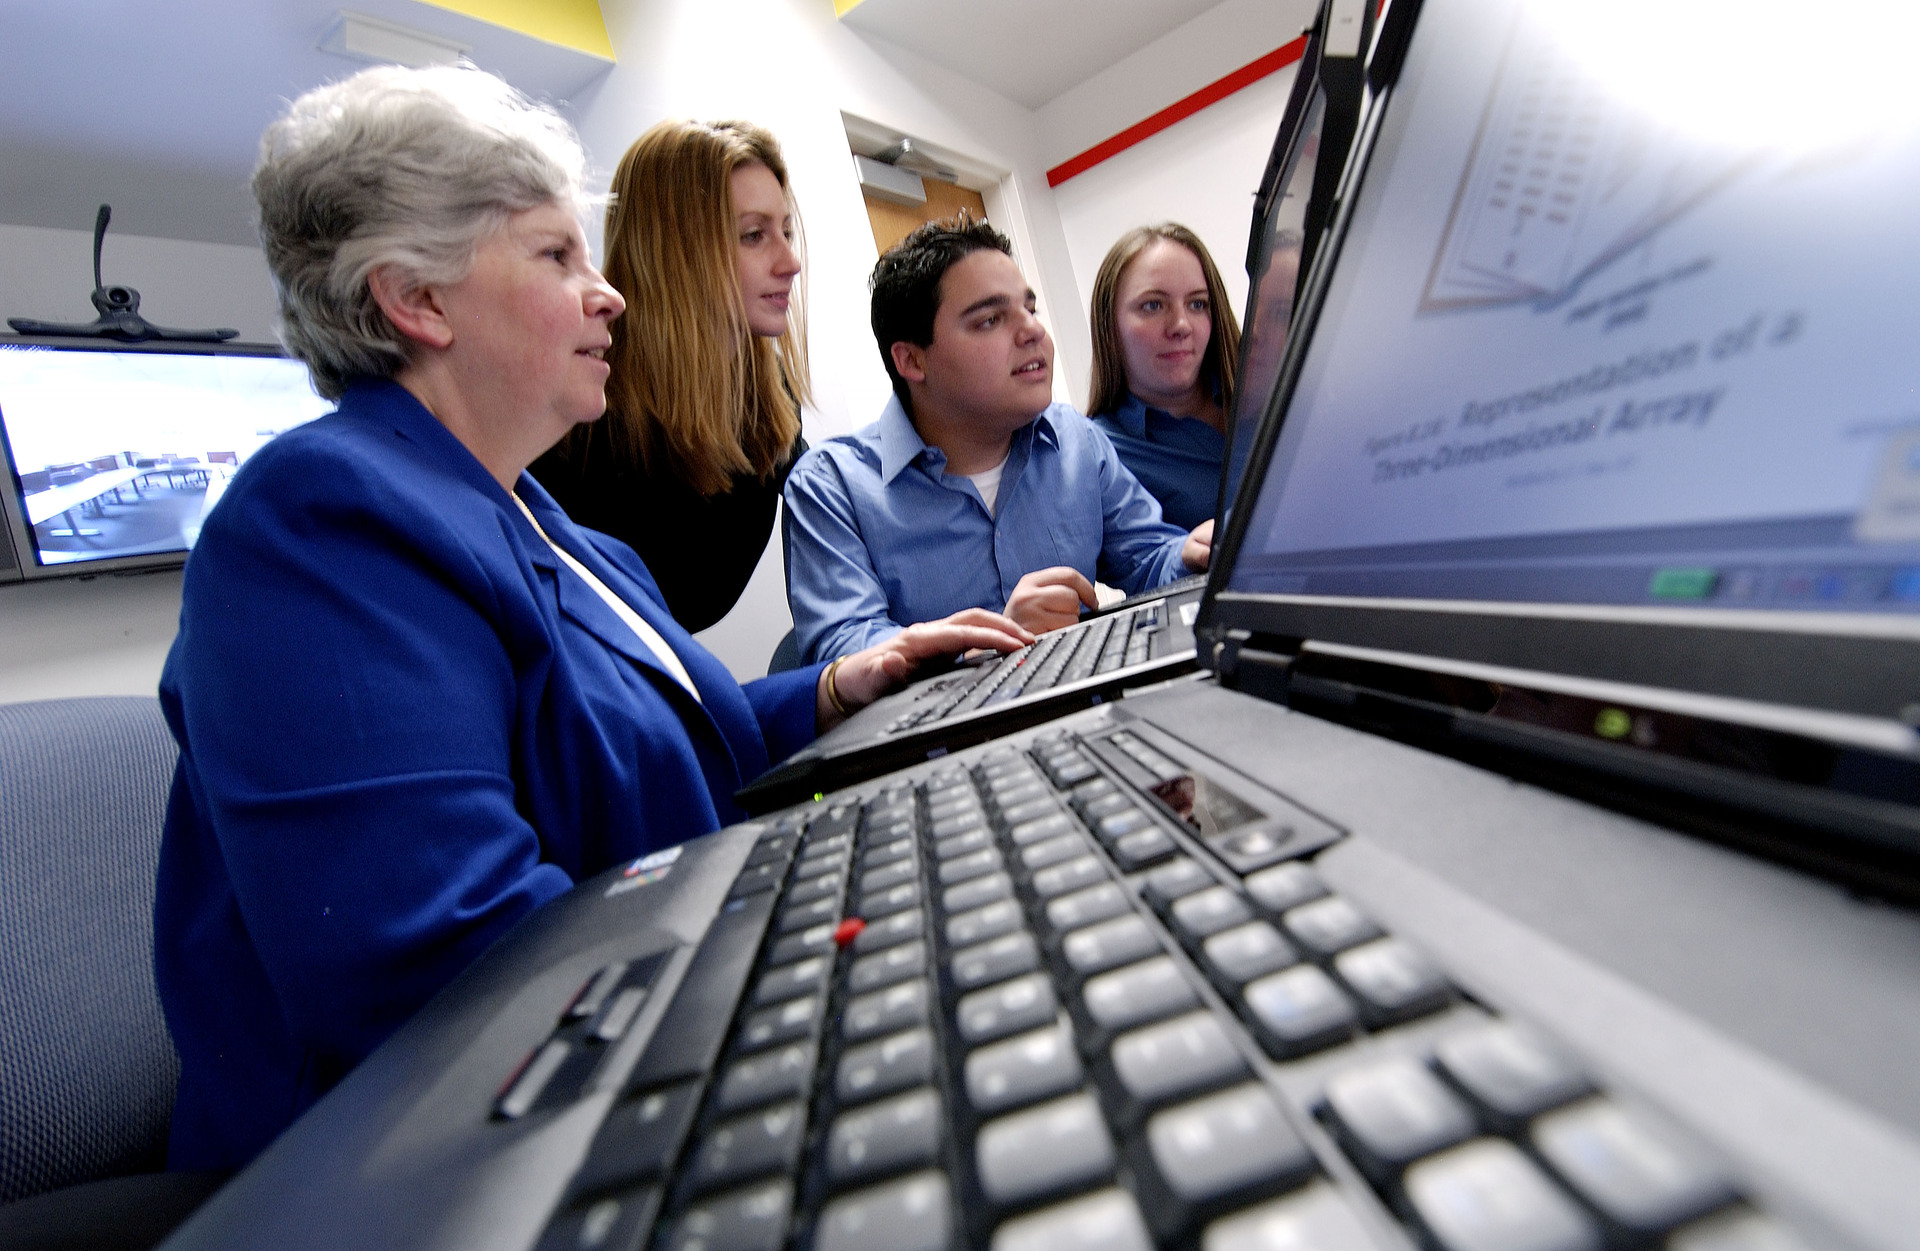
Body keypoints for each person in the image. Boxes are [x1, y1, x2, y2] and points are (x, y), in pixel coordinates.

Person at [153, 65, 1029, 1173]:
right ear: (416, 302)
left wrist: (839, 683)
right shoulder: (321, 520)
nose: (608, 292)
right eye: (557, 255)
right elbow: (446, 974)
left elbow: (680, 747)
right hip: (413, 1167)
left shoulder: (557, 524)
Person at [784, 216, 1212, 664]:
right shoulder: (831, 486)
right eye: (991, 319)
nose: (1033, 332)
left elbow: (1146, 559)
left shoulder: (1075, 442)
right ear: (912, 359)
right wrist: (984, 643)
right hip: (952, 732)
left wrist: (1190, 553)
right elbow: (843, 651)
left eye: (1030, 310)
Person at [529, 120, 808, 633]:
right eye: (754, 235)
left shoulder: (765, 394)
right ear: (673, 250)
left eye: (786, 231)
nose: (790, 261)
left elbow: (829, 491)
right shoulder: (576, 412)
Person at [1086, 223, 1242, 531]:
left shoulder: (1266, 394)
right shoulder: (1101, 454)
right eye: (1153, 305)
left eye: (1197, 304)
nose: (1181, 325)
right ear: (1109, 328)